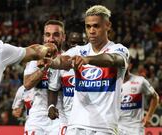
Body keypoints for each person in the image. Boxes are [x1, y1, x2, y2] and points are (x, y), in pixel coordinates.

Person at [47, 5, 130, 135]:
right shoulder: (78, 50)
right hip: (75, 125)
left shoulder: (119, 49)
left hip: (104, 128)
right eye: (88, 26)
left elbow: (112, 59)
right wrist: (50, 62)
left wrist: (88, 60)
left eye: (96, 26)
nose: (91, 31)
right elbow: (62, 60)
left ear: (108, 25)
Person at [23, 20, 66, 135]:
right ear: (43, 37)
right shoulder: (34, 59)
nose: (51, 39)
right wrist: (44, 68)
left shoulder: (68, 59)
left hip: (61, 115)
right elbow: (27, 84)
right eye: (48, 35)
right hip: (37, 116)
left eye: (56, 35)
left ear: (63, 37)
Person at [118, 62, 159, 135]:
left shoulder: (140, 81)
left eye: (124, 64)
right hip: (117, 127)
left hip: (135, 128)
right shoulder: (112, 83)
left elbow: (155, 97)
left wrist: (148, 116)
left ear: (129, 65)